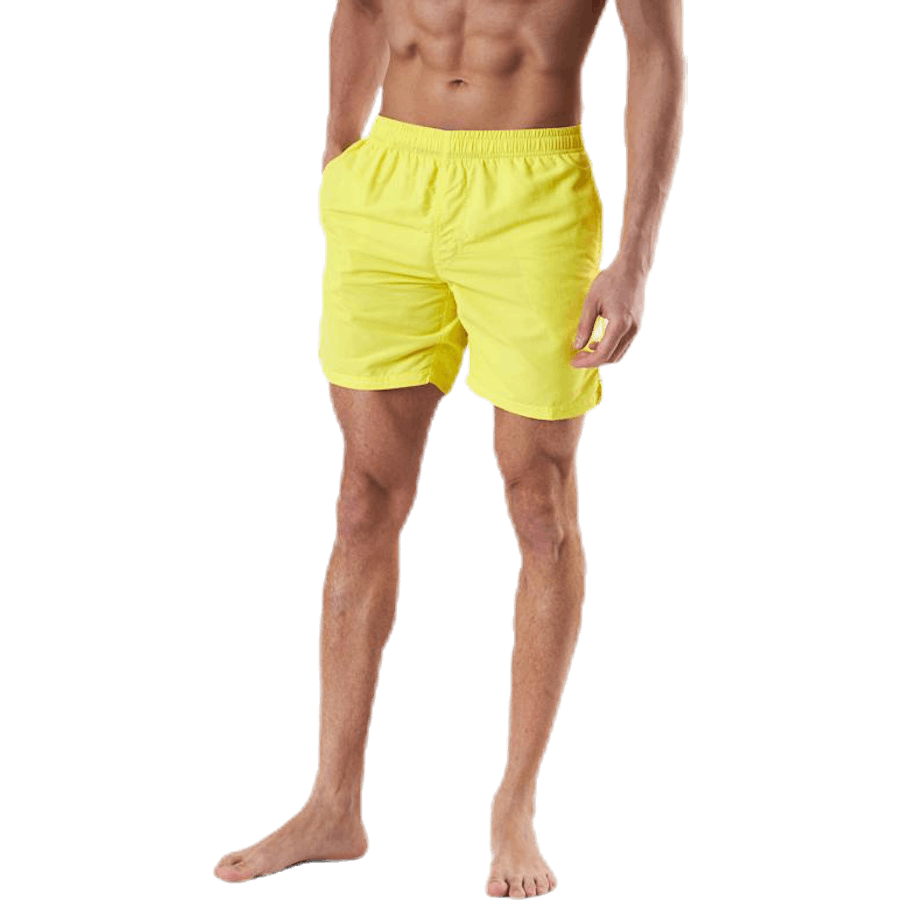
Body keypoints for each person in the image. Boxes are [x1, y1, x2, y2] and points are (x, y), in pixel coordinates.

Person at [213, 0, 685, 895]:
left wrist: (635, 257)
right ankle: (332, 806)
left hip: (532, 191)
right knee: (362, 498)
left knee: (538, 502)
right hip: (389, 181)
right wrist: (339, 142)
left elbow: (657, 52)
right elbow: (359, 8)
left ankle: (514, 809)